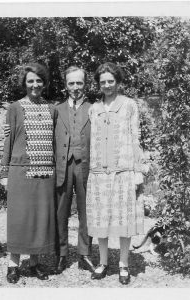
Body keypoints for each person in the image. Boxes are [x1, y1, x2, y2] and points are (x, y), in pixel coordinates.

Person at [86, 62, 147, 284]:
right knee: (101, 219)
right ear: (98, 84)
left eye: (110, 81)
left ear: (117, 82)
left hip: (124, 171)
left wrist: (138, 170)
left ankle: (123, 264)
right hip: (99, 172)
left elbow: (135, 136)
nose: (107, 85)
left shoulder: (129, 105)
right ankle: (103, 262)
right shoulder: (94, 108)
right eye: (103, 82)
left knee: (123, 219)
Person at [0, 63, 57, 284]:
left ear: (45, 83)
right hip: (20, 171)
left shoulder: (51, 108)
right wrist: (4, 173)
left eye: (39, 80)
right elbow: (8, 141)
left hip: (45, 173)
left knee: (39, 219)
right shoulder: (15, 108)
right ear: (25, 84)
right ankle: (13, 265)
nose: (35, 84)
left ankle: (35, 264)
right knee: (19, 219)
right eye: (31, 81)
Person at [54, 66, 94, 274]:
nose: (75, 87)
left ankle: (84, 255)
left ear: (85, 84)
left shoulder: (94, 109)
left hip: (86, 166)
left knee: (87, 211)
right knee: (61, 211)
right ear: (65, 85)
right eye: (71, 83)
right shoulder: (56, 109)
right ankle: (61, 255)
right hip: (63, 165)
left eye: (79, 83)